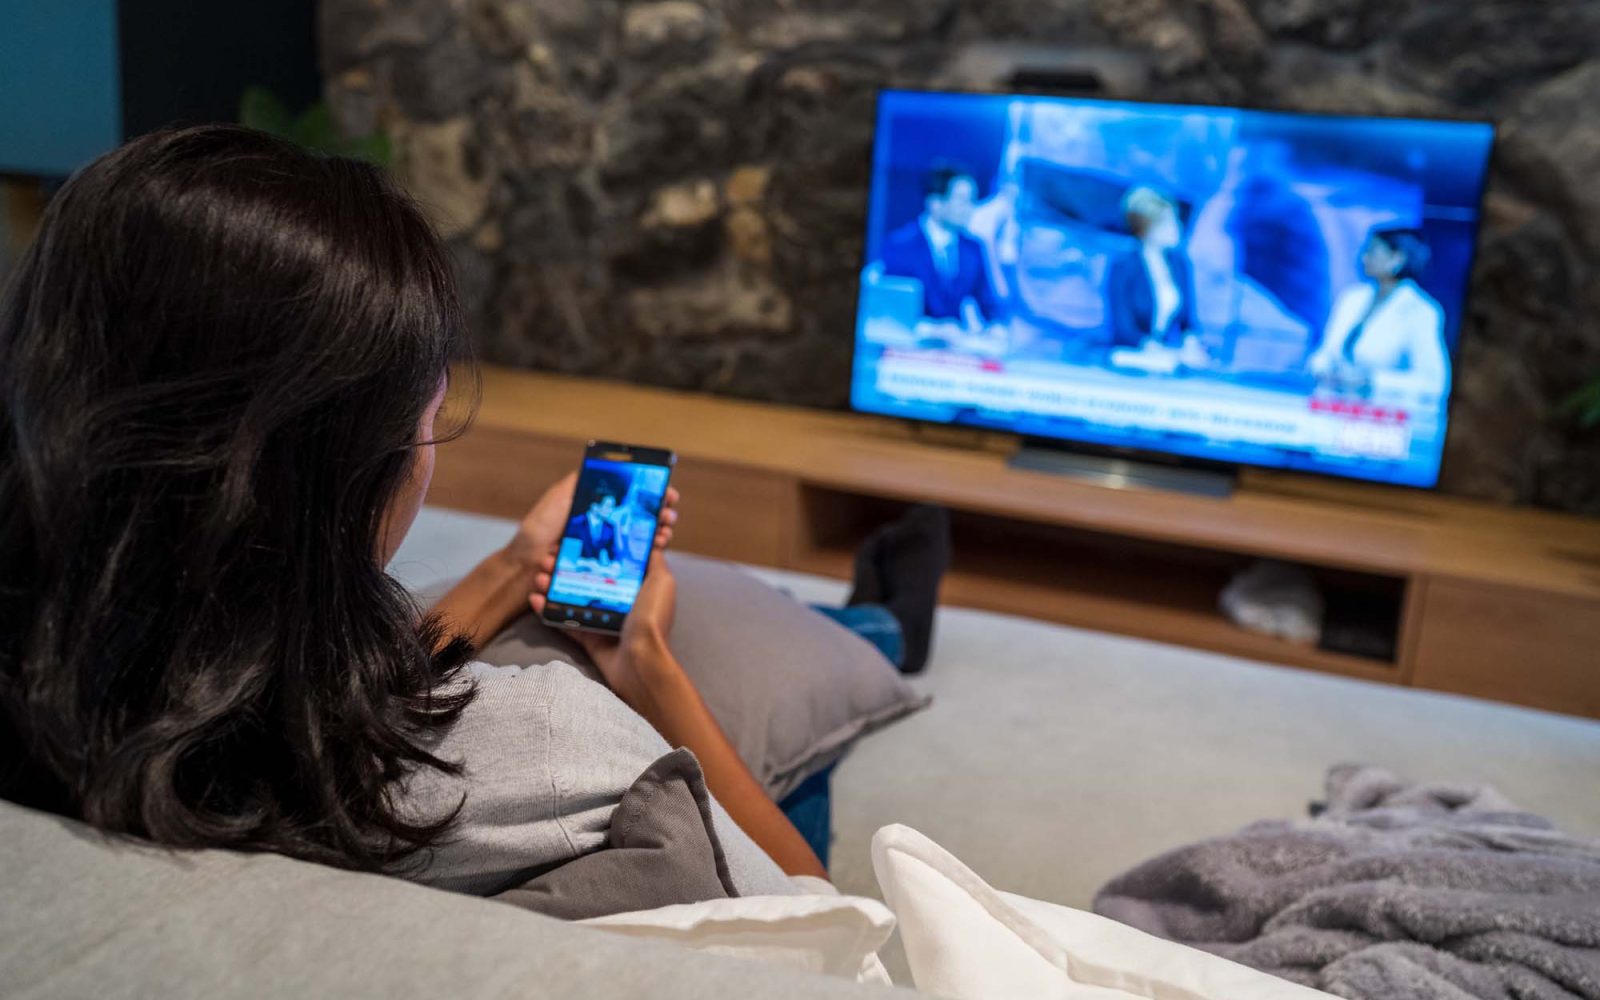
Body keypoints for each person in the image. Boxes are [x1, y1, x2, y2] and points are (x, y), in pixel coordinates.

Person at [0, 126, 948, 898]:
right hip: (653, 716)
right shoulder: (551, 747)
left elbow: (301, 687)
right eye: (426, 415)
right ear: (349, 472)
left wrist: (508, 566)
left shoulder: (79, 680)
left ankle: (865, 615)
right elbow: (815, 913)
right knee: (784, 724)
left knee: (664, 605)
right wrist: (646, 666)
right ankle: (875, 628)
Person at [1308, 228, 1450, 401]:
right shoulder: (1352, 298)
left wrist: (1372, 381)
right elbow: (1325, 353)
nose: (1364, 258)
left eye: (1372, 251)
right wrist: (1322, 369)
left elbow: (1433, 383)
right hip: (1331, 405)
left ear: (1397, 259)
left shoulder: (1421, 311)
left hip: (1382, 415)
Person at [881, 164, 1004, 334]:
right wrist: (930, 328)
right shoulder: (900, 245)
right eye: (963, 201)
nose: (970, 208)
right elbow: (890, 309)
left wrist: (996, 327)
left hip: (955, 345)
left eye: (973, 200)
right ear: (935, 203)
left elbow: (988, 303)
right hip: (909, 344)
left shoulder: (973, 248)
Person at [1105, 186, 1201, 351]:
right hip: (1131, 355)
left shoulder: (1180, 264)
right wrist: (1149, 347)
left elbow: (1187, 322)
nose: (1176, 228)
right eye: (1168, 222)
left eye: (1176, 220)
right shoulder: (1123, 266)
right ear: (1146, 227)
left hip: (1163, 355)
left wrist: (1191, 342)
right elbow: (1122, 327)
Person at [565, 484, 620, 564]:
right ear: (594, 506)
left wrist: (614, 564)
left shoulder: (609, 528)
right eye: (608, 506)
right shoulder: (575, 523)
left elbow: (613, 555)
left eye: (613, 507)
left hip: (597, 572)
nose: (611, 510)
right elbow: (566, 554)